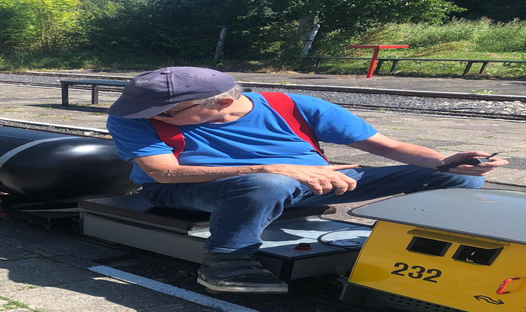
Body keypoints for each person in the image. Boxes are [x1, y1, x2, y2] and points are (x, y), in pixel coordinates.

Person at [106, 66, 507, 294]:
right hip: (186, 189)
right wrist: (269, 168)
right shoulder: (133, 120)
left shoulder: (292, 106)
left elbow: (387, 146)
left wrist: (446, 161)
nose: (149, 117)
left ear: (223, 102)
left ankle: (419, 254)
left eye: (165, 112)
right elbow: (164, 172)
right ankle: (226, 261)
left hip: (311, 181)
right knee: (267, 185)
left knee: (457, 181)